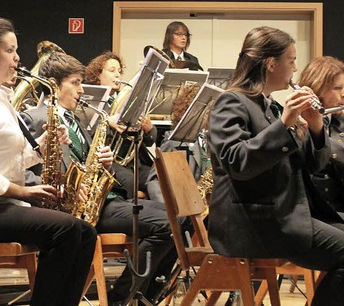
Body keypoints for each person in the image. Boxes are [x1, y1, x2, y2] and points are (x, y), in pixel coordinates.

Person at [0, 17, 97, 306]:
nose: (17, 58)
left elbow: (10, 158)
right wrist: (24, 192)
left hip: (0, 207)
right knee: (66, 230)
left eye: (17, 51)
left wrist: (43, 146)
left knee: (86, 232)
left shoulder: (1, 99)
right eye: (10, 51)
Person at [21, 52, 182, 304]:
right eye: (75, 83)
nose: (81, 90)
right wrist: (63, 186)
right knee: (166, 224)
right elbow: (30, 169)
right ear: (54, 84)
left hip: (102, 199)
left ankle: (147, 295)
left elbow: (86, 161)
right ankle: (124, 297)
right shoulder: (35, 118)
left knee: (178, 217)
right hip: (78, 209)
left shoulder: (75, 119)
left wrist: (103, 160)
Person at [207, 26, 344, 304]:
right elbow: (237, 162)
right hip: (253, 223)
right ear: (271, 64)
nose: (295, 68)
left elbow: (315, 167)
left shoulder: (269, 106)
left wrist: (317, 129)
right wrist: (284, 125)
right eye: (292, 61)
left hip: (281, 216)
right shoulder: (231, 102)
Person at [83, 51, 157, 198]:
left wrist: (149, 129)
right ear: (97, 75)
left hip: (134, 162)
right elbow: (86, 134)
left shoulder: (127, 102)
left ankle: (167, 215)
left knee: (162, 175)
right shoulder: (90, 101)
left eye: (119, 71)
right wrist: (106, 121)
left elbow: (149, 141)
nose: (118, 75)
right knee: (129, 181)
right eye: (112, 70)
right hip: (111, 161)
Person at [144, 82, 210, 203]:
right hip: (186, 207)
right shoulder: (174, 142)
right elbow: (154, 181)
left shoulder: (211, 139)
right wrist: (169, 210)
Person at [298, 56, 344, 220]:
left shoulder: (338, 121)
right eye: (337, 88)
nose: (343, 94)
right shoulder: (298, 123)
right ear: (317, 89)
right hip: (319, 214)